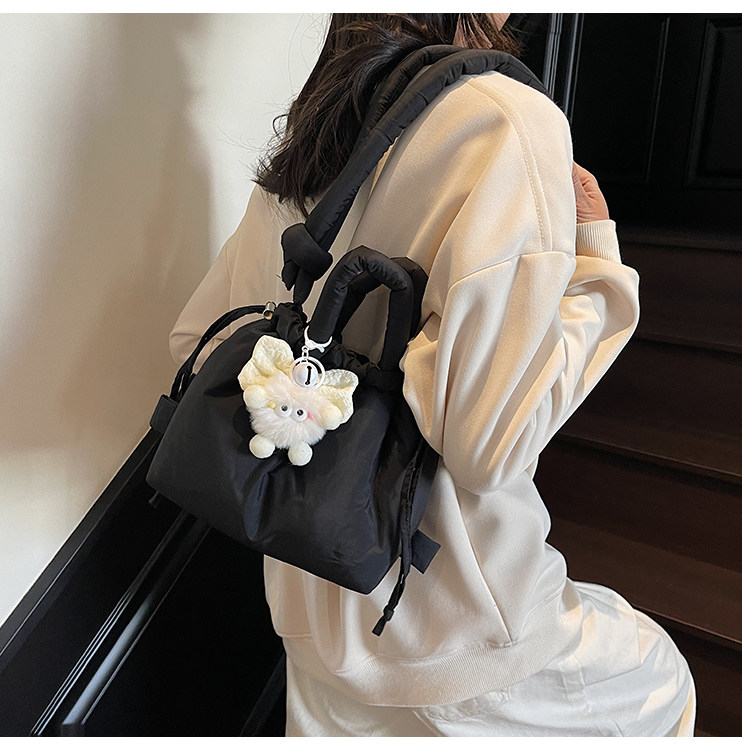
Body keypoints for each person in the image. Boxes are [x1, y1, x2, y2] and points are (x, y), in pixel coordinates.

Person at [168, 14, 696, 737]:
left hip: (309, 604)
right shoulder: (508, 122)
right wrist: (598, 272)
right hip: (458, 631)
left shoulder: (325, 115)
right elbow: (487, 447)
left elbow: (194, 341)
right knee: (663, 685)